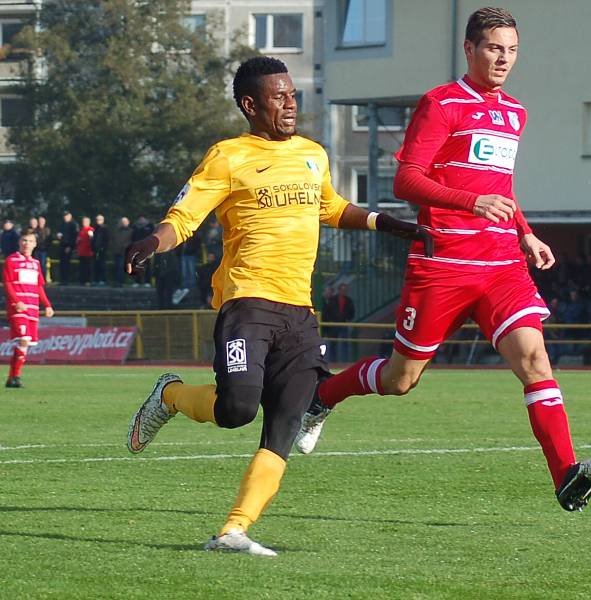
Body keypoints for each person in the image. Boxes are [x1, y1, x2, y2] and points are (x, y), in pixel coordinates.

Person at [295, 7, 591, 513]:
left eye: (511, 50)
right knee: (401, 380)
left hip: (501, 264)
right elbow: (406, 180)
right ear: (469, 49)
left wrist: (525, 233)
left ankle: (566, 477)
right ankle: (323, 397)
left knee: (535, 361)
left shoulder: (515, 112)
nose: (503, 58)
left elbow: (500, 188)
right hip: (442, 263)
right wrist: (470, 204)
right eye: (494, 48)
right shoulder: (440, 103)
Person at [123, 56, 433, 555]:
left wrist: (384, 222)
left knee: (285, 422)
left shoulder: (312, 153)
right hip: (247, 303)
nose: (291, 103)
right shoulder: (227, 156)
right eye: (279, 96)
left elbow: (329, 206)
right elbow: (184, 217)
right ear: (250, 105)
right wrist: (152, 242)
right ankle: (171, 396)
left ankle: (233, 530)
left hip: (300, 313)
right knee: (237, 409)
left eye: (293, 95)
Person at [3, 230, 54, 388]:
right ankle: (14, 377)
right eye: (24, 240)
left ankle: (13, 378)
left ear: (35, 244)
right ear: (19, 242)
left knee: (25, 345)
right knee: (23, 339)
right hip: (18, 308)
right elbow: (8, 283)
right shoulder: (11, 260)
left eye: (30, 241)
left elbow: (39, 286)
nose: (26, 243)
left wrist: (47, 305)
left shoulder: (36, 263)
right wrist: (16, 301)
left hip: (32, 308)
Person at [323, 282, 355, 362]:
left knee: (344, 344)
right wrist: (330, 321)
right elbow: (326, 311)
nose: (343, 291)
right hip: (334, 324)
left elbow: (352, 312)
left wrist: (348, 319)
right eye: (342, 290)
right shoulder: (332, 300)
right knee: (333, 344)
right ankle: (333, 362)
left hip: (343, 324)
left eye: (345, 290)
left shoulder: (349, 301)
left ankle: (344, 362)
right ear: (339, 290)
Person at [109, 216, 133, 286]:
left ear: (128, 222)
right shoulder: (116, 231)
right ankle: (116, 281)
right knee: (116, 267)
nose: (123, 223)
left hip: (125, 252)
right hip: (116, 251)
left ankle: (120, 282)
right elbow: (112, 240)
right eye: (122, 222)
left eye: (125, 222)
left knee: (120, 267)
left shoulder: (131, 231)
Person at [56, 211, 78, 285]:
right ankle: (62, 280)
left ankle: (66, 280)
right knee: (62, 263)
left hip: (68, 246)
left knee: (66, 264)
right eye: (64, 216)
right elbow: (59, 233)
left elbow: (74, 236)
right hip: (62, 245)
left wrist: (70, 246)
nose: (65, 217)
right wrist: (58, 236)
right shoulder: (62, 224)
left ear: (70, 216)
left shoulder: (73, 225)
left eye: (66, 216)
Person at [91, 214, 109, 285]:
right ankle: (96, 280)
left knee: (102, 265)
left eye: (100, 219)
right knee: (96, 265)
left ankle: (102, 280)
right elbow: (93, 240)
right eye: (97, 219)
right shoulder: (95, 228)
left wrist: (103, 248)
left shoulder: (105, 228)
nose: (98, 221)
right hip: (95, 250)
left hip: (101, 250)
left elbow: (107, 240)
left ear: (103, 220)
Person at [76, 216, 94, 286]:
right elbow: (78, 240)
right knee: (81, 267)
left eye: (86, 221)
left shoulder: (91, 230)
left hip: (88, 252)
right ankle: (82, 281)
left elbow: (93, 240)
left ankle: (88, 281)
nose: (84, 223)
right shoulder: (81, 230)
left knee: (88, 268)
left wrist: (91, 237)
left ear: (89, 222)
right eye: (83, 221)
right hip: (81, 252)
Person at [33, 216, 51, 281]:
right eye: (40, 221)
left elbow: (49, 240)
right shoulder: (35, 230)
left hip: (44, 250)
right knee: (36, 265)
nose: (41, 223)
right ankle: (36, 279)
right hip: (36, 250)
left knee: (43, 265)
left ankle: (43, 279)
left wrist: (46, 247)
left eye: (42, 221)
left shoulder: (47, 230)